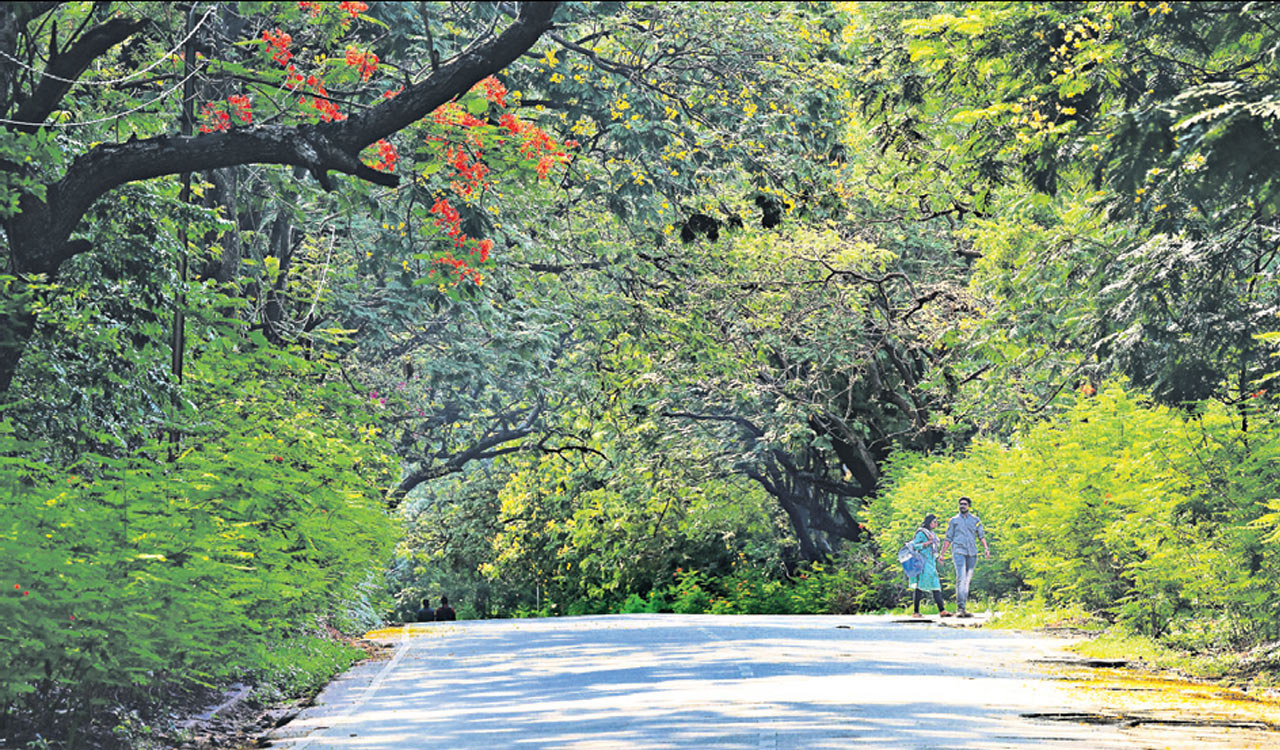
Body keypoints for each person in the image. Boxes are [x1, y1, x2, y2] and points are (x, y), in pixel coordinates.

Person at [939, 496, 990, 618]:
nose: (962, 506)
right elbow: (948, 538)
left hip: (972, 553)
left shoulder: (976, 520)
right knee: (961, 578)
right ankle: (960, 608)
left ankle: (963, 608)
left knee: (967, 580)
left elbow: (981, 535)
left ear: (969, 506)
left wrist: (986, 548)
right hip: (958, 551)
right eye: (960, 504)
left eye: (965, 504)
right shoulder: (954, 520)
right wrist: (942, 554)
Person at [908, 513, 951, 618]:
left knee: (936, 585)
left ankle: (942, 610)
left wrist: (938, 558)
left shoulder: (932, 533)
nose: (936, 524)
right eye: (934, 522)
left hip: (931, 562)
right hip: (923, 562)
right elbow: (914, 545)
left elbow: (933, 549)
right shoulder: (922, 533)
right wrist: (927, 543)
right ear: (929, 522)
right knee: (920, 586)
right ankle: (916, 611)